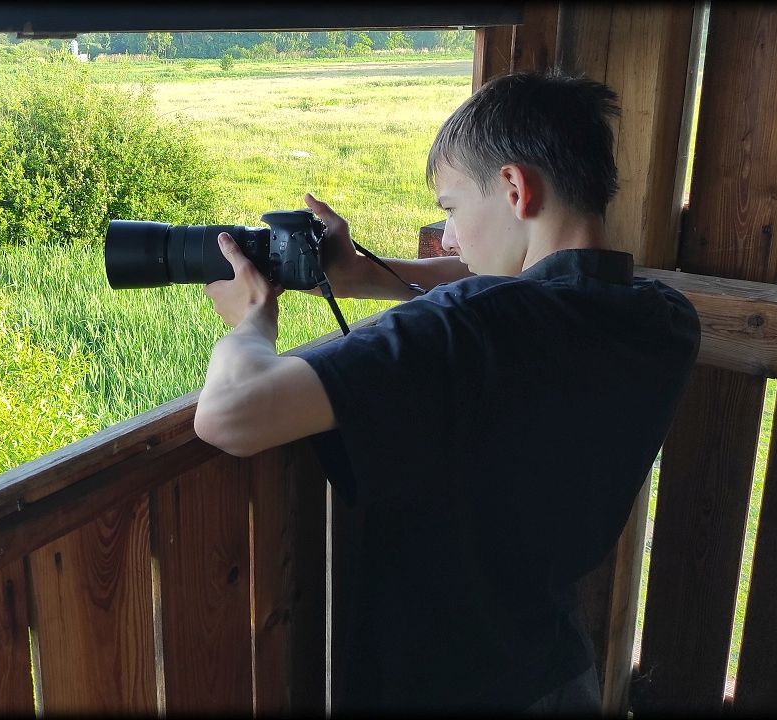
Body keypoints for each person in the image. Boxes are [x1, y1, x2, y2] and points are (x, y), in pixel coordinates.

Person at [193, 71, 701, 713]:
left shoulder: (469, 328)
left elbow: (228, 414)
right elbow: (531, 289)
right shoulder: (664, 319)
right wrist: (366, 276)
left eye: (452, 209)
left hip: (442, 683)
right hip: (558, 673)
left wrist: (251, 321)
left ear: (515, 188)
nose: (450, 238)